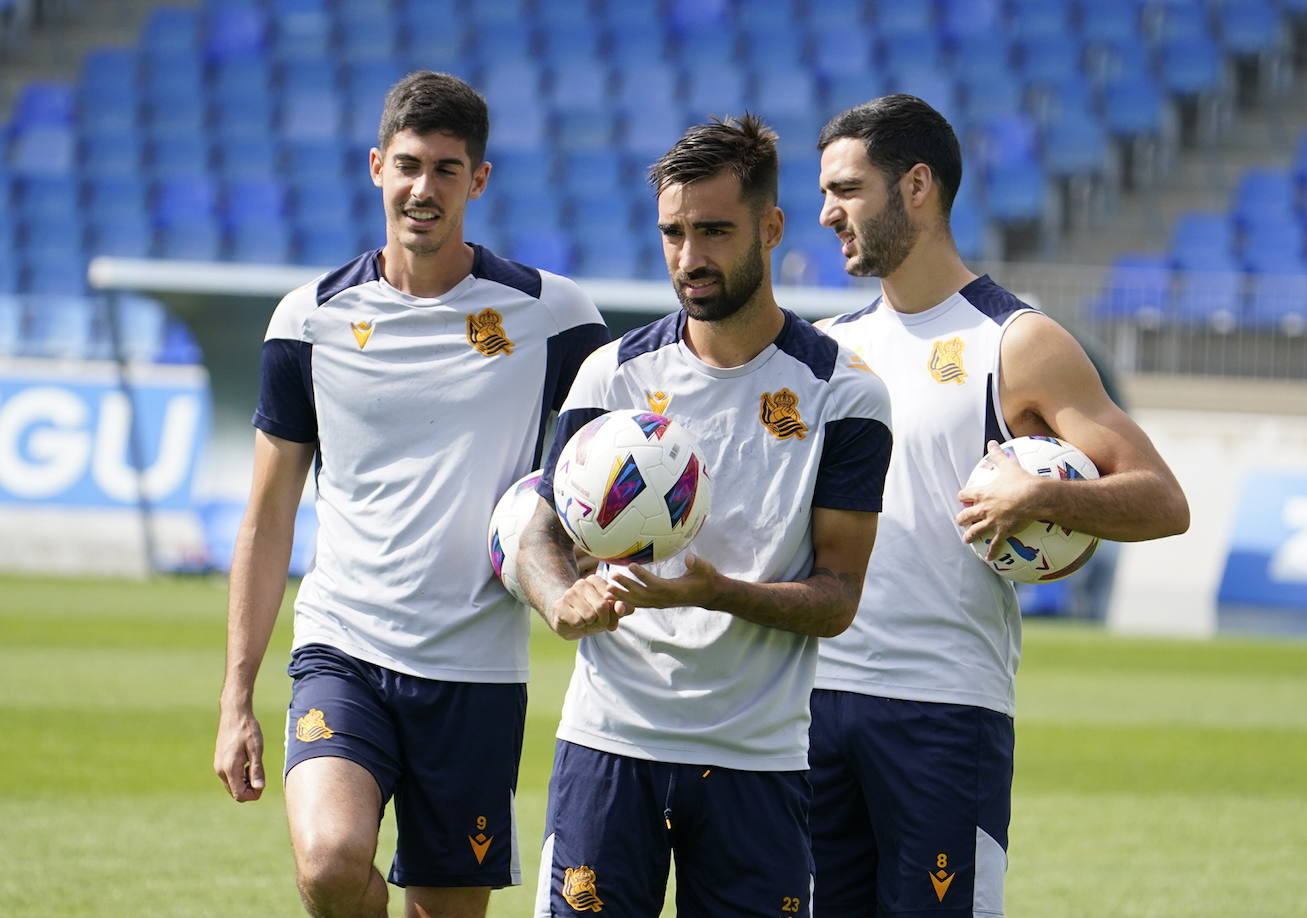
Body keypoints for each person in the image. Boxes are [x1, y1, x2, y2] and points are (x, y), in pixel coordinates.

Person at [212, 71, 607, 918]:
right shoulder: (307, 321)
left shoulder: (555, 317)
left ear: (480, 180)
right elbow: (267, 516)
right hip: (342, 646)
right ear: (376, 168)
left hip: (475, 669)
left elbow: (607, 471)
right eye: (408, 164)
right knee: (327, 863)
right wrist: (236, 698)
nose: (423, 188)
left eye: (447, 169)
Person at [808, 94, 1190, 918]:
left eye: (845, 189)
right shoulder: (829, 348)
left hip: (944, 709)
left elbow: (1163, 500)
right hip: (811, 700)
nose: (824, 212)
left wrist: (1044, 495)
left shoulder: (1016, 341)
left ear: (917, 187)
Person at [517, 114, 894, 917]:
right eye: (674, 233)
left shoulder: (845, 394)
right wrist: (560, 600)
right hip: (610, 744)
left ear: (770, 228)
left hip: (758, 760)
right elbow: (540, 530)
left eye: (714, 231)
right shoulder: (609, 376)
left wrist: (711, 591)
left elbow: (838, 598)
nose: (690, 258)